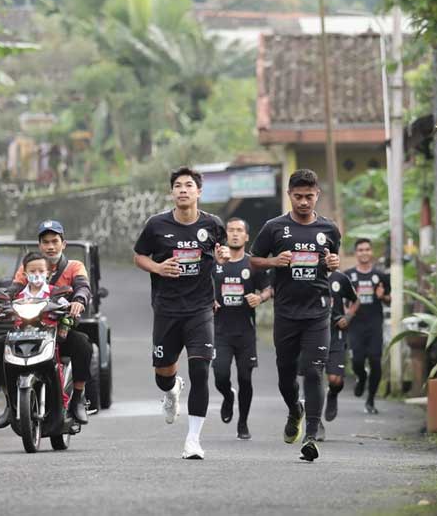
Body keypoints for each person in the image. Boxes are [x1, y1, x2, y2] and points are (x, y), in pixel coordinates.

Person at [133, 166, 229, 460]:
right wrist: (158, 268)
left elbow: (221, 253)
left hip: (200, 308)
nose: (183, 190)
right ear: (172, 192)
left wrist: (223, 256)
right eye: (178, 185)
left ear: (199, 192)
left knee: (200, 371)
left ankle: (193, 440)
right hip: (167, 308)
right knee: (163, 374)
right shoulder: (156, 225)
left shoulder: (213, 224)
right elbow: (139, 256)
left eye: (189, 185)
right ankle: (172, 389)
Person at [250, 169, 341, 462]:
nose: (303, 202)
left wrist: (333, 263)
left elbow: (332, 262)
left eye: (309, 196)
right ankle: (294, 410)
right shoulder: (274, 227)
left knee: (314, 372)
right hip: (287, 314)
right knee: (286, 376)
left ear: (317, 195)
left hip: (318, 313)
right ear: (289, 194)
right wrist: (274, 261)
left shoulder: (329, 229)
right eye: (298, 196)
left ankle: (311, 435)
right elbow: (253, 261)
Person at [0, 221, 92, 427]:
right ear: (39, 245)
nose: (50, 246)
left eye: (54, 241)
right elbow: (14, 289)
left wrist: (78, 301)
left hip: (59, 330)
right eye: (45, 242)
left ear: (63, 244)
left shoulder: (75, 266)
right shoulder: (28, 267)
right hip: (27, 329)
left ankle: (78, 398)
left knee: (83, 345)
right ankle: (9, 402)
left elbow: (83, 287)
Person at [212, 217, 272, 440]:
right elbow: (200, 286)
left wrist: (260, 298)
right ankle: (228, 396)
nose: (235, 234)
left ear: (247, 236)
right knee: (220, 376)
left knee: (245, 379)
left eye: (239, 230)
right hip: (220, 331)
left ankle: (243, 423)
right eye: (231, 230)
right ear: (225, 235)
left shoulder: (253, 264)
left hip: (245, 332)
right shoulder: (215, 263)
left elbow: (269, 288)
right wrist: (209, 299)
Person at [345, 238, 392, 414]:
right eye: (360, 250)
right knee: (357, 361)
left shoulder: (381, 276)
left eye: (367, 249)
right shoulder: (348, 276)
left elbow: (389, 299)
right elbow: (340, 299)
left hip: (374, 324)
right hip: (355, 325)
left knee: (375, 361)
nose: (364, 252)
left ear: (371, 252)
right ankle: (362, 377)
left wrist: (383, 296)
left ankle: (371, 400)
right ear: (356, 253)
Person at [317, 267, 358, 441]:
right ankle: (315, 423)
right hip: (313, 333)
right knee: (314, 379)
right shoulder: (306, 274)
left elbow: (356, 300)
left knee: (335, 380)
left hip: (336, 335)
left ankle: (333, 393)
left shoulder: (340, 278)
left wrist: (347, 317)